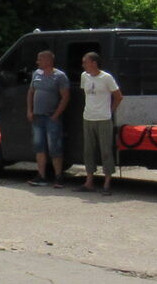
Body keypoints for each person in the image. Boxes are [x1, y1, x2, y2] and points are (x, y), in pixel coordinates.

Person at [25, 50, 70, 188]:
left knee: (54, 147)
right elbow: (31, 92)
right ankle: (41, 176)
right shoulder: (36, 74)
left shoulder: (60, 76)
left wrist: (56, 114)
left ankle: (58, 176)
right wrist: (29, 110)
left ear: (48, 61)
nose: (37, 62)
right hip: (37, 117)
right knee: (39, 147)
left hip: (51, 117)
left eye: (40, 59)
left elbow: (65, 97)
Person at [79, 52, 122, 193]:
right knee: (88, 151)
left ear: (94, 63)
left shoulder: (106, 78)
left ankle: (107, 183)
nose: (83, 65)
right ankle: (89, 181)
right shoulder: (84, 76)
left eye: (86, 62)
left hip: (103, 118)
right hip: (88, 117)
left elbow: (118, 96)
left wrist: (110, 111)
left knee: (105, 150)